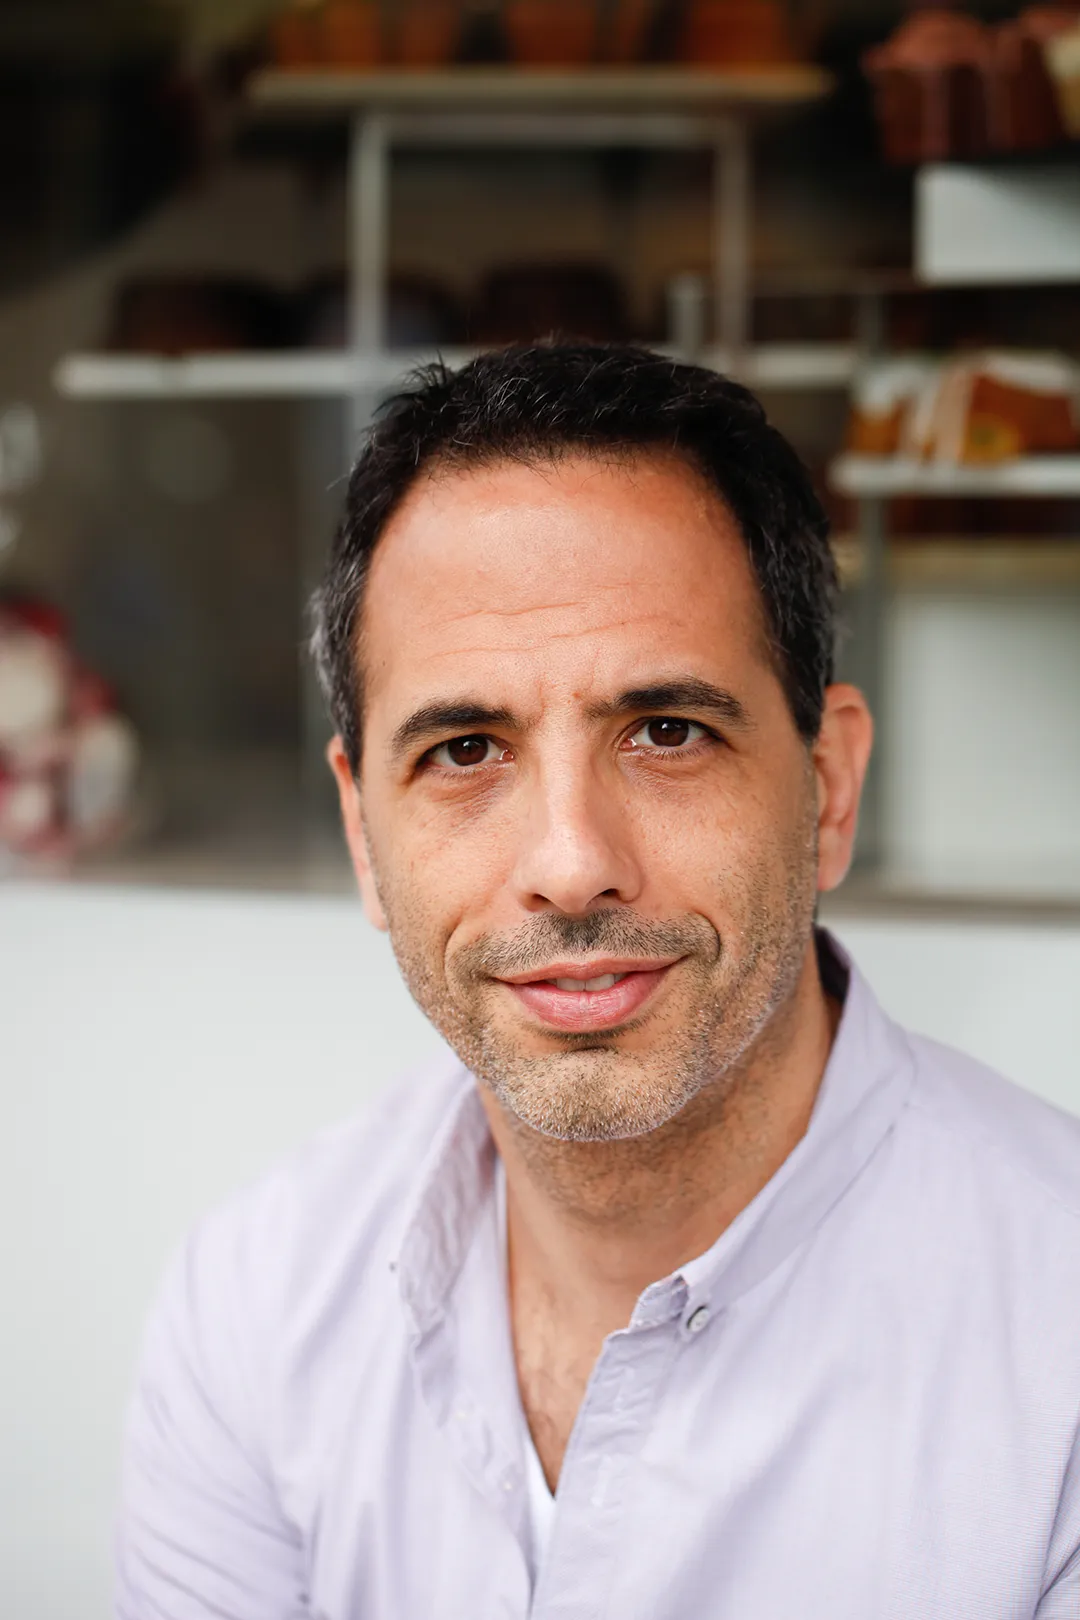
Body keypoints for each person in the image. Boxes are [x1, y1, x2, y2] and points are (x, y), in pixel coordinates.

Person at [116, 344, 1080, 1619]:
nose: (572, 868)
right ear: (365, 837)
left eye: (667, 731)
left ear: (830, 788)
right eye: (465, 749)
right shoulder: (253, 1312)